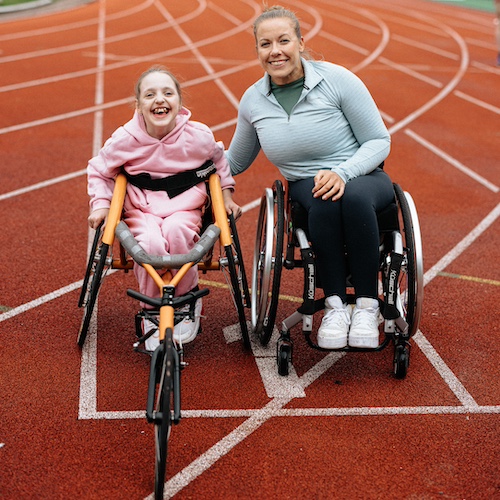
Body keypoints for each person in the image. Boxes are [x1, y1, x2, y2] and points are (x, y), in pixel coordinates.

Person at [226, 6, 393, 349]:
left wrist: (343, 172)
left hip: (362, 173)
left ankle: (365, 305)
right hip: (307, 184)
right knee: (323, 201)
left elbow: (379, 140)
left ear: (301, 42)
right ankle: (334, 306)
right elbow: (234, 161)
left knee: (353, 197)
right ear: (257, 51)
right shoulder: (253, 101)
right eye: (265, 44)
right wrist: (179, 154)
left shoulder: (338, 80)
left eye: (284, 40)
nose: (275, 51)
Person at [87, 65, 240, 351]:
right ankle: (152, 308)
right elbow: (99, 171)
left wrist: (227, 196)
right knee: (149, 244)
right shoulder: (125, 139)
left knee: (178, 232)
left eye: (168, 93)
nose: (159, 99)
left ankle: (185, 300)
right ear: (138, 106)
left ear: (179, 103)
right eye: (150, 95)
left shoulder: (198, 136)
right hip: (141, 212)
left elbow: (220, 164)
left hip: (184, 210)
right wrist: (101, 206)